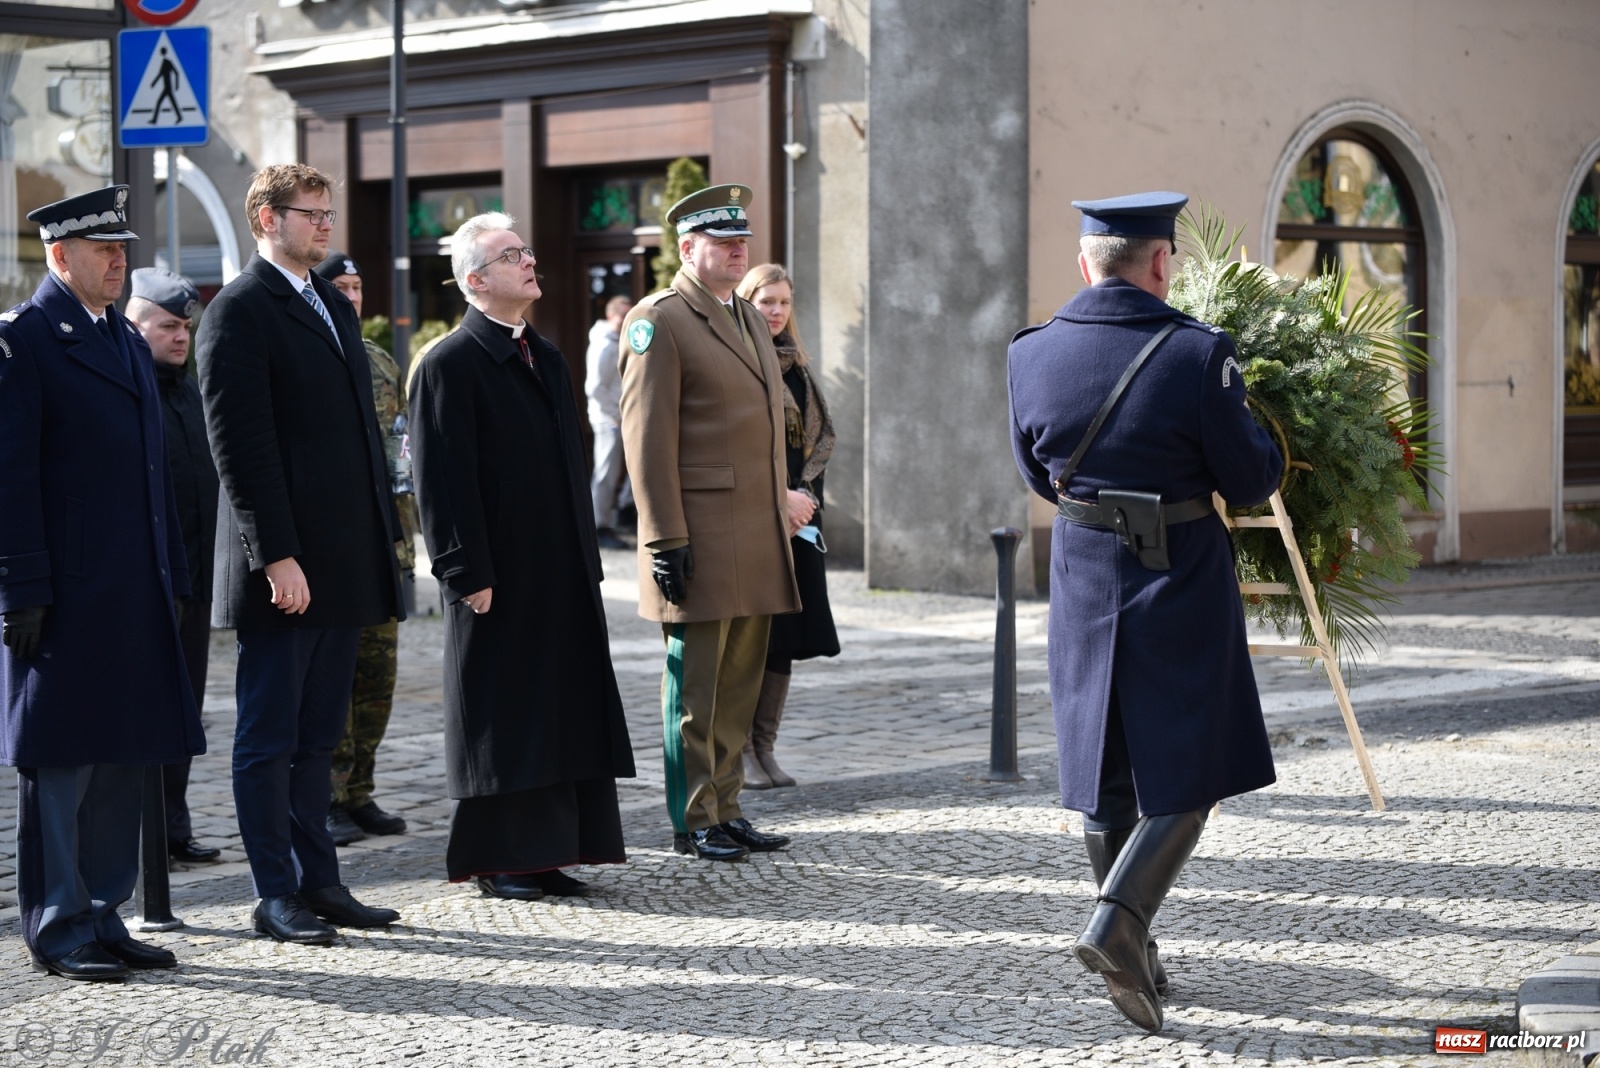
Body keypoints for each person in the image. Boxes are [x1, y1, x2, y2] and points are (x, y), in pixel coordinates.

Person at [1007, 191, 1282, 1033]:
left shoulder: (1030, 352)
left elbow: (1035, 472)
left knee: (1105, 767)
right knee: (1192, 767)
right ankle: (1118, 923)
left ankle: (1139, 952)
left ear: (1086, 264)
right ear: (1161, 262)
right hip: (1179, 574)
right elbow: (1249, 480)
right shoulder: (1198, 353)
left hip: (1083, 571)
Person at [196, 164, 405, 945]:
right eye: (309, 213)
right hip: (285, 568)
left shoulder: (328, 304)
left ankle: (321, 881)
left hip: (343, 561)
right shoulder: (240, 309)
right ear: (266, 218)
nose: (324, 225)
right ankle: (273, 891)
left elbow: (360, 441)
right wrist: (276, 556)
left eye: (327, 213)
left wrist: (378, 546)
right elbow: (240, 447)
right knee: (269, 739)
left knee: (320, 738)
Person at [0, 186, 205, 979]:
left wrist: (173, 575)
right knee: (62, 764)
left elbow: (155, 479)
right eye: (104, 250)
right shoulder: (25, 342)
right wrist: (20, 589)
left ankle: (103, 911)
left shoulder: (122, 337)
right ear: (60, 255)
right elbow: (11, 482)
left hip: (132, 585)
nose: (120, 261)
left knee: (124, 752)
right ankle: (59, 926)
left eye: (123, 249)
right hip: (64, 592)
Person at [409, 213, 635, 900]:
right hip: (496, 574)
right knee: (504, 712)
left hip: (559, 569)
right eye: (512, 256)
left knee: (559, 708)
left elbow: (571, 468)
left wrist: (586, 560)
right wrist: (464, 571)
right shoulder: (448, 363)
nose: (530, 261)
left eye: (527, 251)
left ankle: (547, 851)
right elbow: (440, 481)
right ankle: (501, 858)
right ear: (475, 280)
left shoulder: (547, 355)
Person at [619, 184, 802, 862]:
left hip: (754, 534)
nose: (737, 251)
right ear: (687, 248)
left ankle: (727, 806)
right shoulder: (659, 320)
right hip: (697, 534)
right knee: (696, 687)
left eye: (742, 241)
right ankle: (693, 815)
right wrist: (664, 537)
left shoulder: (747, 316)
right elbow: (645, 439)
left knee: (737, 685)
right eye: (723, 243)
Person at [312, 251, 415, 847]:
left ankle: (359, 791)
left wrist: (408, 537)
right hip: (337, 550)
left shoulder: (379, 361)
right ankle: (328, 795)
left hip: (387, 543)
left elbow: (402, 455)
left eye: (357, 287)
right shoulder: (314, 356)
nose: (351, 297)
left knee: (378, 677)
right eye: (340, 287)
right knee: (335, 681)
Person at [126, 267, 223, 865]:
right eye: (167, 326)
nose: (181, 336)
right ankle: (139, 836)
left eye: (185, 326)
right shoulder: (129, 393)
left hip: (196, 578)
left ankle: (173, 828)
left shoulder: (192, 393)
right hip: (146, 582)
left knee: (185, 706)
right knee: (142, 707)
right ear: (137, 327)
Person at [733, 264, 839, 789]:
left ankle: (765, 747)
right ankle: (743, 752)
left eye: (783, 302)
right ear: (746, 302)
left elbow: (813, 445)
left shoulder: (795, 365)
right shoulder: (741, 361)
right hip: (757, 516)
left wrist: (803, 501)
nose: (776, 311)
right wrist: (781, 498)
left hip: (801, 517)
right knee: (757, 636)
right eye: (766, 301)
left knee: (789, 634)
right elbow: (741, 446)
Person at [586, 294, 633, 550]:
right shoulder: (605, 344)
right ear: (610, 315)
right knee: (606, 472)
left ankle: (625, 511)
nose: (626, 320)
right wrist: (615, 414)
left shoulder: (619, 340)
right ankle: (598, 526)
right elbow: (594, 387)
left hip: (621, 417)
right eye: (622, 315)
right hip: (609, 420)